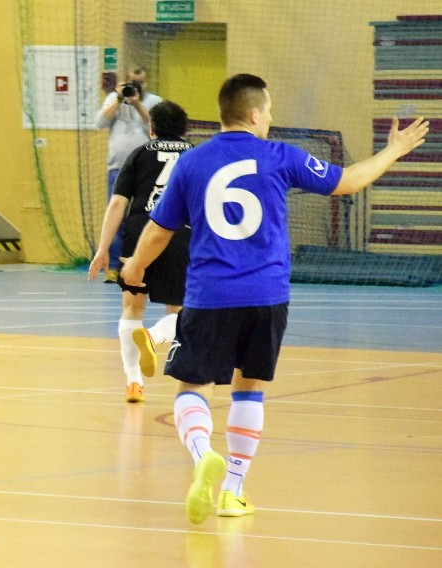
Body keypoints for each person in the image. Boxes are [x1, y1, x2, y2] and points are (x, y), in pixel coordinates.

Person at [120, 73, 429, 525]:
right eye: (268, 110)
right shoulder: (281, 156)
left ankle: (204, 452)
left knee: (193, 388)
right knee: (249, 392)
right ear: (253, 113)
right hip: (266, 295)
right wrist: (394, 150)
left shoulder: (193, 162)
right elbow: (348, 182)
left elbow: (159, 231)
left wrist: (134, 268)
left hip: (209, 296)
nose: (271, 117)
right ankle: (234, 491)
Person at [87, 100, 192, 404]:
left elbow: (118, 203)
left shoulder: (138, 154)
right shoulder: (195, 154)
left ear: (151, 128)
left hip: (140, 233)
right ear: (184, 128)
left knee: (132, 308)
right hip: (180, 234)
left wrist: (103, 248)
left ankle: (134, 381)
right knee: (181, 311)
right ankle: (160, 341)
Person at [94, 66, 162, 283]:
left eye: (141, 82)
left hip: (147, 170)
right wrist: (118, 98)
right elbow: (99, 122)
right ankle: (113, 266)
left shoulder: (153, 101)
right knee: (116, 217)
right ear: (125, 81)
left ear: (147, 83)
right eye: (133, 82)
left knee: (145, 215)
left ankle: (145, 263)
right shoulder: (114, 99)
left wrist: (137, 103)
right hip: (118, 167)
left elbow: (156, 127)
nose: (137, 86)